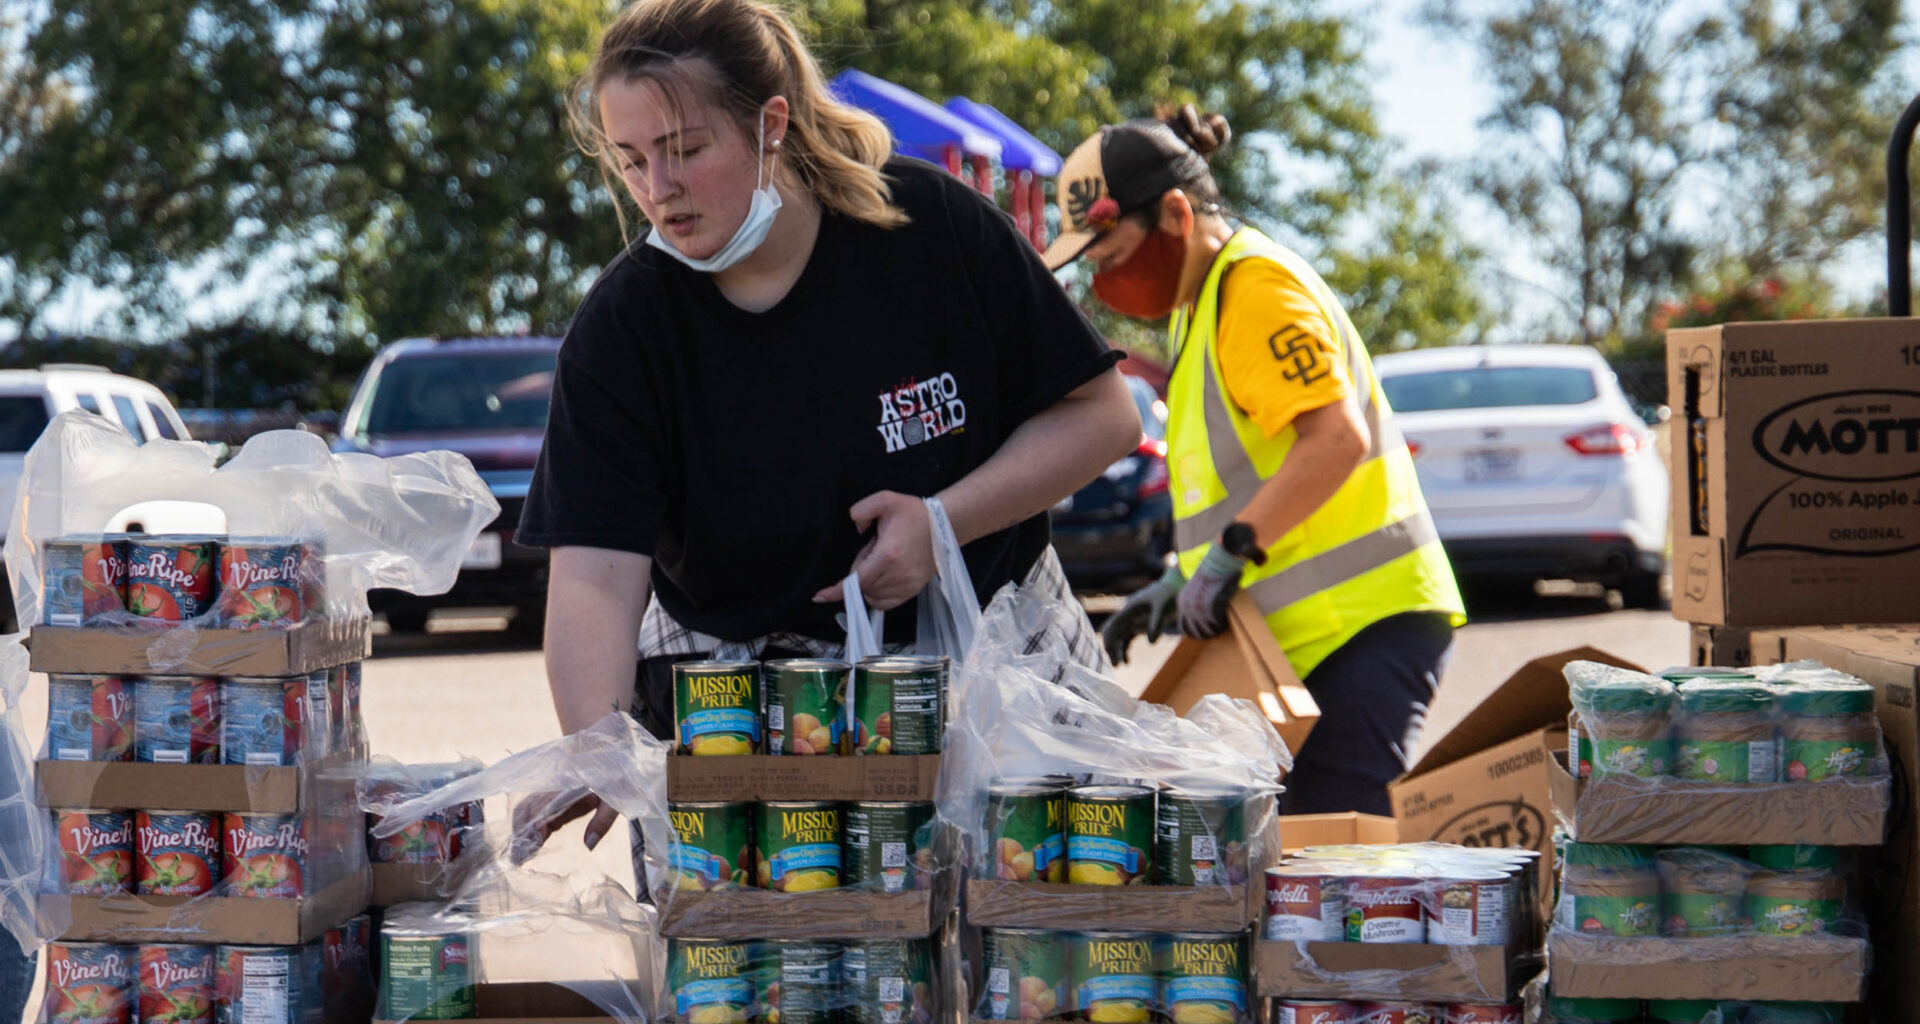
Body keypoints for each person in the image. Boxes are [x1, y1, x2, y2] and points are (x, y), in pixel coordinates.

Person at [514, 0, 1139, 866]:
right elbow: (593, 578)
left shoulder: (932, 229)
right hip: (744, 709)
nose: (658, 189)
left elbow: (1103, 417)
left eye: (686, 149)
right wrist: (595, 745)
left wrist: (943, 523)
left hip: (1002, 661)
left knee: (1033, 956)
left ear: (771, 124)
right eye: (631, 160)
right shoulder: (622, 330)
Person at [1060, 107, 1467, 816]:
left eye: (1112, 256)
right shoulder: (1205, 304)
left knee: (1336, 859)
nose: (1105, 280)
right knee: (1295, 862)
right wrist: (1180, 575)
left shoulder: (1255, 293)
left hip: (1361, 626)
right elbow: (1245, 473)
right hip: (1312, 639)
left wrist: (1225, 557)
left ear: (1178, 215)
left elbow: (1336, 440)